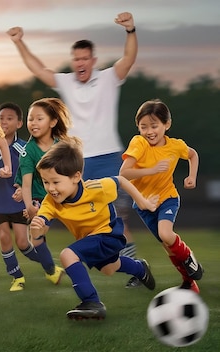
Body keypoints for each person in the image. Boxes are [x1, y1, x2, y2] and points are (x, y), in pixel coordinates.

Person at [7, 11, 141, 287]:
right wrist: (19, 42)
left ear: (92, 60)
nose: (80, 63)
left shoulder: (108, 78)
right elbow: (39, 70)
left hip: (106, 158)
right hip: (75, 161)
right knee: (71, 216)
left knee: (116, 215)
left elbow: (128, 60)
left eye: (84, 59)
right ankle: (70, 261)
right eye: (76, 59)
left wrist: (130, 31)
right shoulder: (66, 81)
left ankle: (134, 269)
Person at [30, 139, 157, 320]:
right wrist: (36, 230)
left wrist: (143, 202)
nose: (51, 189)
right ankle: (140, 268)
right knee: (109, 268)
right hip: (91, 238)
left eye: (56, 182)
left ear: (76, 176)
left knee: (68, 255)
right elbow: (41, 227)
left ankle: (91, 302)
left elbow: (120, 180)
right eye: (45, 182)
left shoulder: (96, 188)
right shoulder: (50, 202)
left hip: (109, 232)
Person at [120, 99, 204, 293]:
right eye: (144, 126)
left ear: (167, 125)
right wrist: (151, 170)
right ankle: (189, 283)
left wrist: (192, 176)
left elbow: (193, 155)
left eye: (154, 126)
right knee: (167, 246)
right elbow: (124, 172)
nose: (149, 131)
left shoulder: (175, 146)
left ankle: (190, 259)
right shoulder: (139, 143)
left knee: (167, 234)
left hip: (168, 198)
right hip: (144, 204)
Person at [0, 102, 52, 290]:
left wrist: (29, 194)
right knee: (3, 237)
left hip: (18, 203)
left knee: (23, 242)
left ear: (19, 123)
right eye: (1, 118)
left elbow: (35, 175)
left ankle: (49, 265)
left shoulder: (24, 149)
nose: (4, 122)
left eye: (9, 119)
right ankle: (16, 277)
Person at [13, 98, 70, 285]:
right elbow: (27, 184)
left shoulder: (62, 146)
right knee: (36, 234)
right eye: (31, 119)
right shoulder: (27, 151)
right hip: (41, 199)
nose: (33, 123)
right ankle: (51, 271)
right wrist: (29, 206)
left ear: (53, 122)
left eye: (39, 119)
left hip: (65, 196)